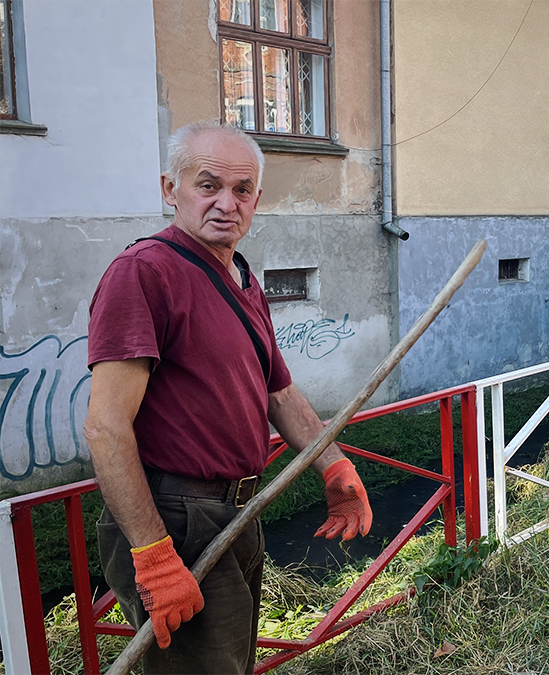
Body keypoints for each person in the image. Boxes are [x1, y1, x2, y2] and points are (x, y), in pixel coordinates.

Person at [84, 121, 373, 674]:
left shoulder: (239, 276)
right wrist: (152, 555)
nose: (226, 203)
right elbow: (106, 427)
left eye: (241, 190)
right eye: (207, 184)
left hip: (236, 510)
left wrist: (334, 467)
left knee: (232, 664)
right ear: (171, 189)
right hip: (176, 519)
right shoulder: (145, 274)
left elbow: (280, 392)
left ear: (256, 200)